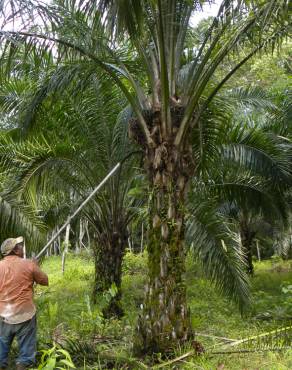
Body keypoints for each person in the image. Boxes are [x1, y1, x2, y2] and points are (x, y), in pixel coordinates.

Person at [0, 236, 48, 370]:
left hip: (4, 316)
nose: (22, 247)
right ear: (15, 250)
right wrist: (35, 267)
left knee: (1, 347)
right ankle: (22, 364)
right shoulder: (28, 264)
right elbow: (45, 280)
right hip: (25, 315)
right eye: (19, 246)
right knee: (26, 357)